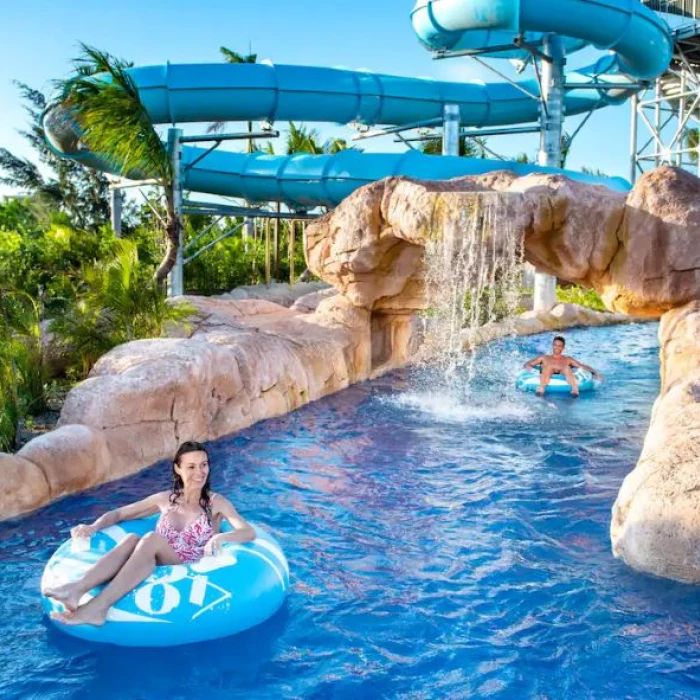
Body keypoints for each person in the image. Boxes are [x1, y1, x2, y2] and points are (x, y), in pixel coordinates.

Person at [42, 441, 255, 627]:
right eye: (191, 466)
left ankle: (97, 607)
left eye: (204, 465)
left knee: (151, 539)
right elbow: (119, 514)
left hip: (189, 567)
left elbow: (247, 531)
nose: (200, 472)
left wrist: (221, 537)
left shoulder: (216, 503)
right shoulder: (164, 500)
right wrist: (93, 527)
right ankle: (76, 590)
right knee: (132, 539)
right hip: (153, 561)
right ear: (178, 469)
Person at [523, 335, 601, 397]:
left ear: (563, 348)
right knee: (548, 367)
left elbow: (581, 366)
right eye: (555, 345)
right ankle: (541, 388)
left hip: (563, 374)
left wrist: (594, 372)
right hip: (546, 374)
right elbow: (527, 364)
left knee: (566, 367)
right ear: (552, 346)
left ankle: (574, 389)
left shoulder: (567, 359)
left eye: (559, 346)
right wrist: (534, 372)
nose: (556, 347)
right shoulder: (544, 358)